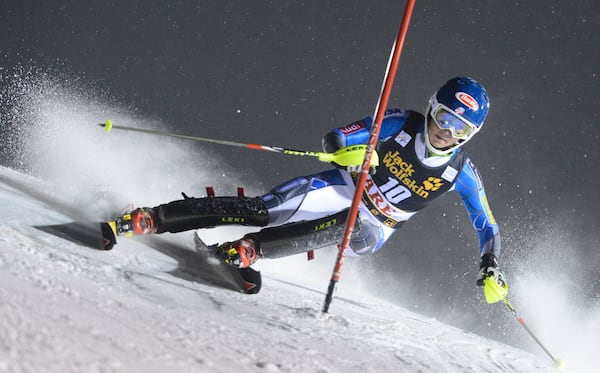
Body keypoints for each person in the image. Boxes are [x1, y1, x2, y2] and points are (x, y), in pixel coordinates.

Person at [113, 76, 508, 302]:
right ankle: (154, 217)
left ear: (471, 135)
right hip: (344, 185)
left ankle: (250, 250)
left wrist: (491, 266)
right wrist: (352, 153)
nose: (445, 131)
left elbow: (487, 226)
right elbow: (337, 137)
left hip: (376, 224)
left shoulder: (463, 173)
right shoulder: (401, 122)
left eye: (460, 128)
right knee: (264, 209)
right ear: (432, 107)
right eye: (443, 116)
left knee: (353, 227)